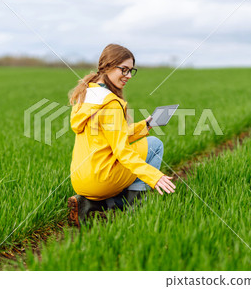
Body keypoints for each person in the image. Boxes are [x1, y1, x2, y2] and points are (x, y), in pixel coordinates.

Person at [67, 43, 176, 227]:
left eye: (131, 71)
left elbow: (112, 136)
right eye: (123, 70)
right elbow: (122, 151)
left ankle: (90, 203)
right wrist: (153, 175)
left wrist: (145, 125)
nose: (127, 76)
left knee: (142, 147)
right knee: (155, 144)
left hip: (80, 180)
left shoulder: (86, 95)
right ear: (108, 66)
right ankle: (134, 207)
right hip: (102, 179)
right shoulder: (111, 103)